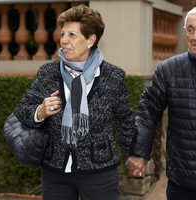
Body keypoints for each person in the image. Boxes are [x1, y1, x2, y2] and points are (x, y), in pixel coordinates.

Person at [14, 4, 135, 200]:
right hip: (55, 170)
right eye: (63, 34)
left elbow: (125, 121)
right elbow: (22, 111)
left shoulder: (113, 76)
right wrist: (40, 111)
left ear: (91, 39)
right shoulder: (48, 73)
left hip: (99, 170)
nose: (64, 41)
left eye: (72, 35)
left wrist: (134, 155)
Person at [126, 7, 196, 200]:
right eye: (190, 29)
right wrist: (139, 152)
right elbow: (148, 111)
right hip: (182, 182)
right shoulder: (169, 70)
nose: (194, 36)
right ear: (184, 32)